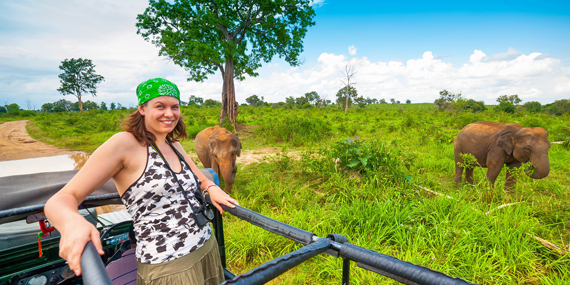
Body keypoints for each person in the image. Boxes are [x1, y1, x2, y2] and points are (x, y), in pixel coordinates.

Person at [45, 78, 238, 285]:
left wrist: (211, 186)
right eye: (160, 106)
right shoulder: (124, 143)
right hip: (169, 266)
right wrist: (71, 223)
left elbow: (200, 179)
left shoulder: (173, 144)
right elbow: (62, 199)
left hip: (206, 248)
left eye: (175, 107)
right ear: (142, 109)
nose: (169, 113)